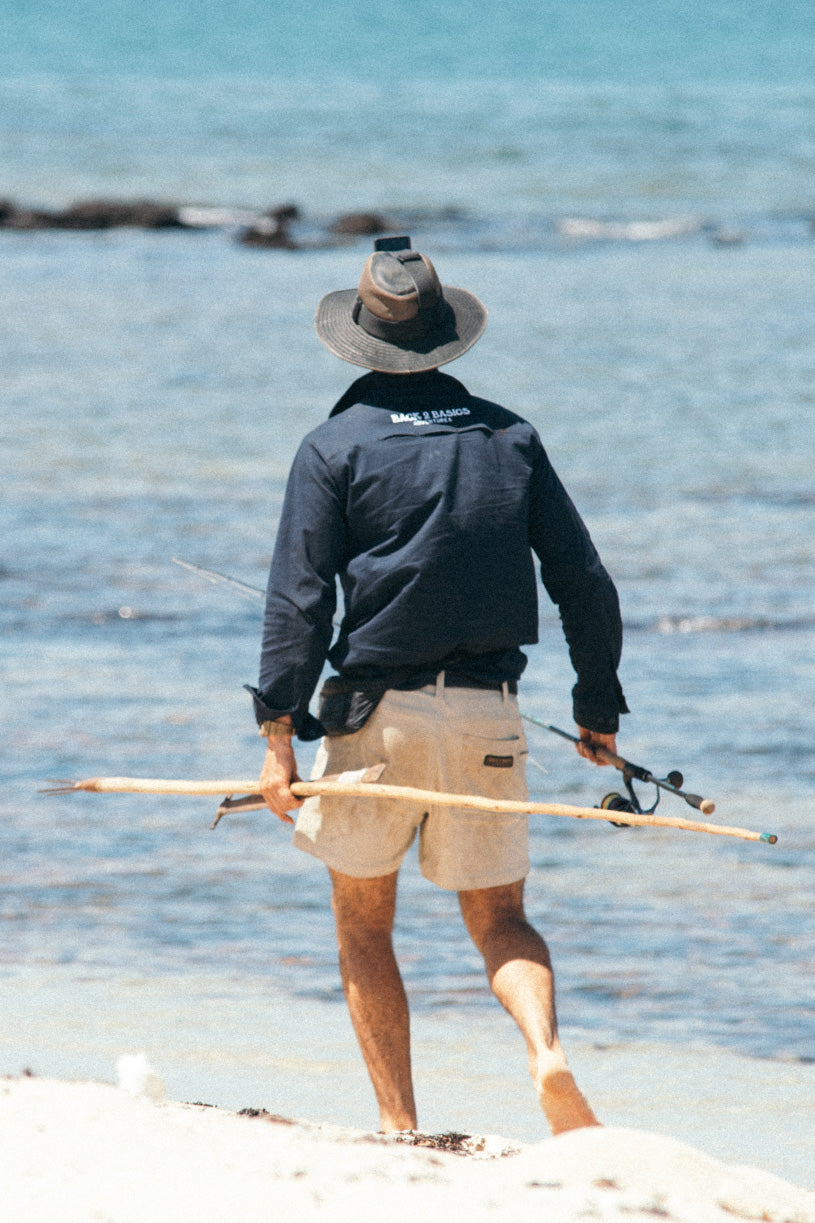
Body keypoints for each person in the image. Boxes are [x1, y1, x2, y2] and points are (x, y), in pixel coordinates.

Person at [248, 236, 628, 1135]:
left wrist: (276, 735)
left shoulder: (332, 445)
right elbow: (585, 582)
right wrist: (596, 711)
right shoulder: (510, 437)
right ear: (445, 336)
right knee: (500, 918)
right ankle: (545, 1050)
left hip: (376, 721)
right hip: (489, 715)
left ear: (357, 340)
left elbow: (297, 601)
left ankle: (398, 1125)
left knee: (362, 922)